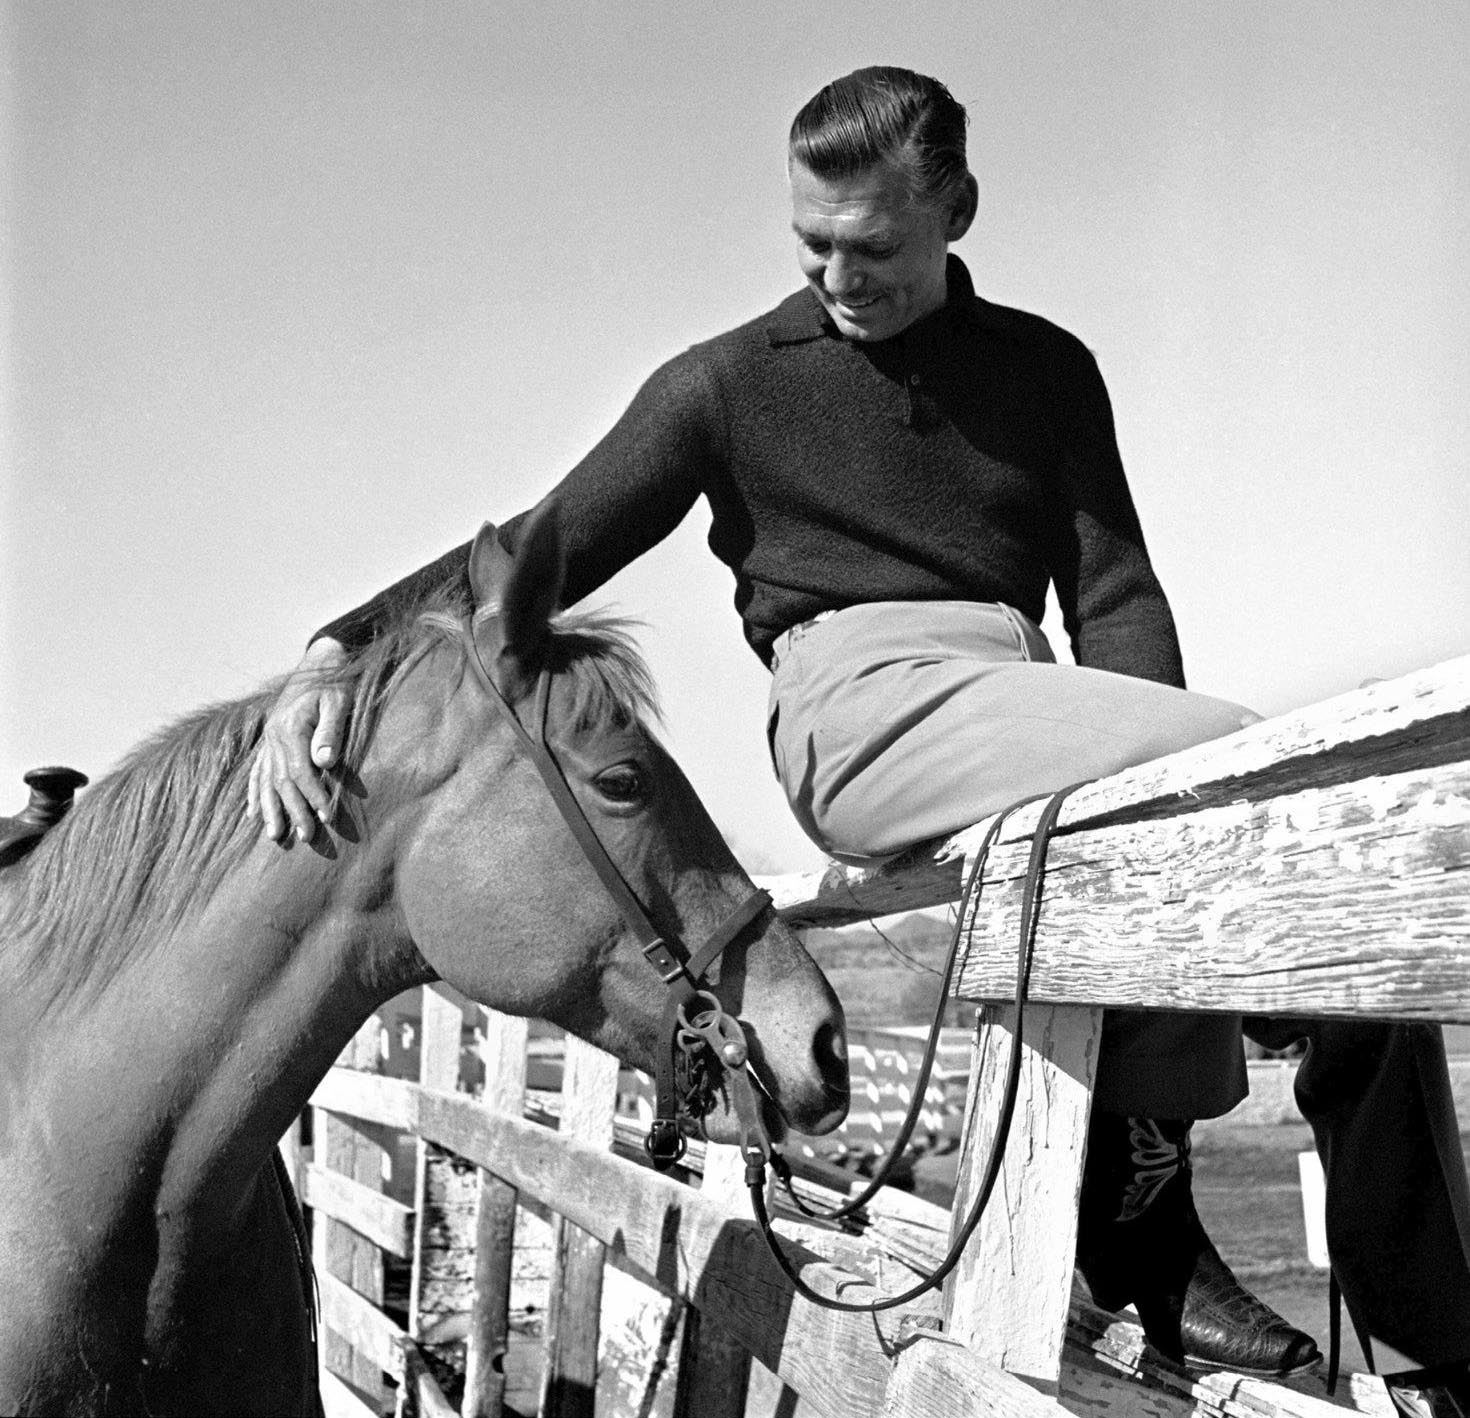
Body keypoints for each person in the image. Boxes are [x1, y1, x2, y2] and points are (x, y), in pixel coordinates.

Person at [249, 67, 1468, 1373]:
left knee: (1315, 850)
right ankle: (1142, 1230)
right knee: (1230, 780)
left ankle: (1431, 1329)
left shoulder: (1043, 373)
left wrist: (1175, 768)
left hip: (1030, 694)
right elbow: (527, 560)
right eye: (811, 242)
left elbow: (1112, 601)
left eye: (873, 247)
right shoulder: (724, 386)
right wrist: (335, 648)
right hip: (860, 711)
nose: (837, 274)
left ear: (956, 211)